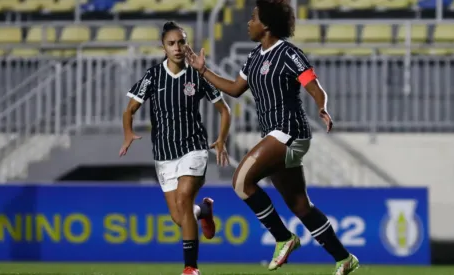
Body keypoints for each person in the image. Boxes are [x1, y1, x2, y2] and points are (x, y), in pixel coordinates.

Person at [184, 1, 359, 274]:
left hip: (289, 130)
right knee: (300, 205)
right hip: (276, 136)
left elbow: (313, 85)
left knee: (241, 181)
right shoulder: (254, 56)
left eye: (253, 17)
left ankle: (283, 238)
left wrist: (322, 106)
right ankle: (344, 258)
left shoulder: (289, 53)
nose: (248, 22)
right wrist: (203, 71)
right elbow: (234, 88)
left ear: (266, 25)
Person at [119, 21, 232, 275]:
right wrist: (127, 132)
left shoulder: (198, 74)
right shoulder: (153, 76)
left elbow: (224, 110)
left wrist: (221, 138)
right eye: (172, 43)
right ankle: (203, 211)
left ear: (187, 44)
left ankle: (190, 268)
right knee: (179, 216)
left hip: (194, 148)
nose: (178, 48)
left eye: (182, 42)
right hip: (164, 154)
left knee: (183, 198)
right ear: (163, 47)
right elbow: (130, 110)